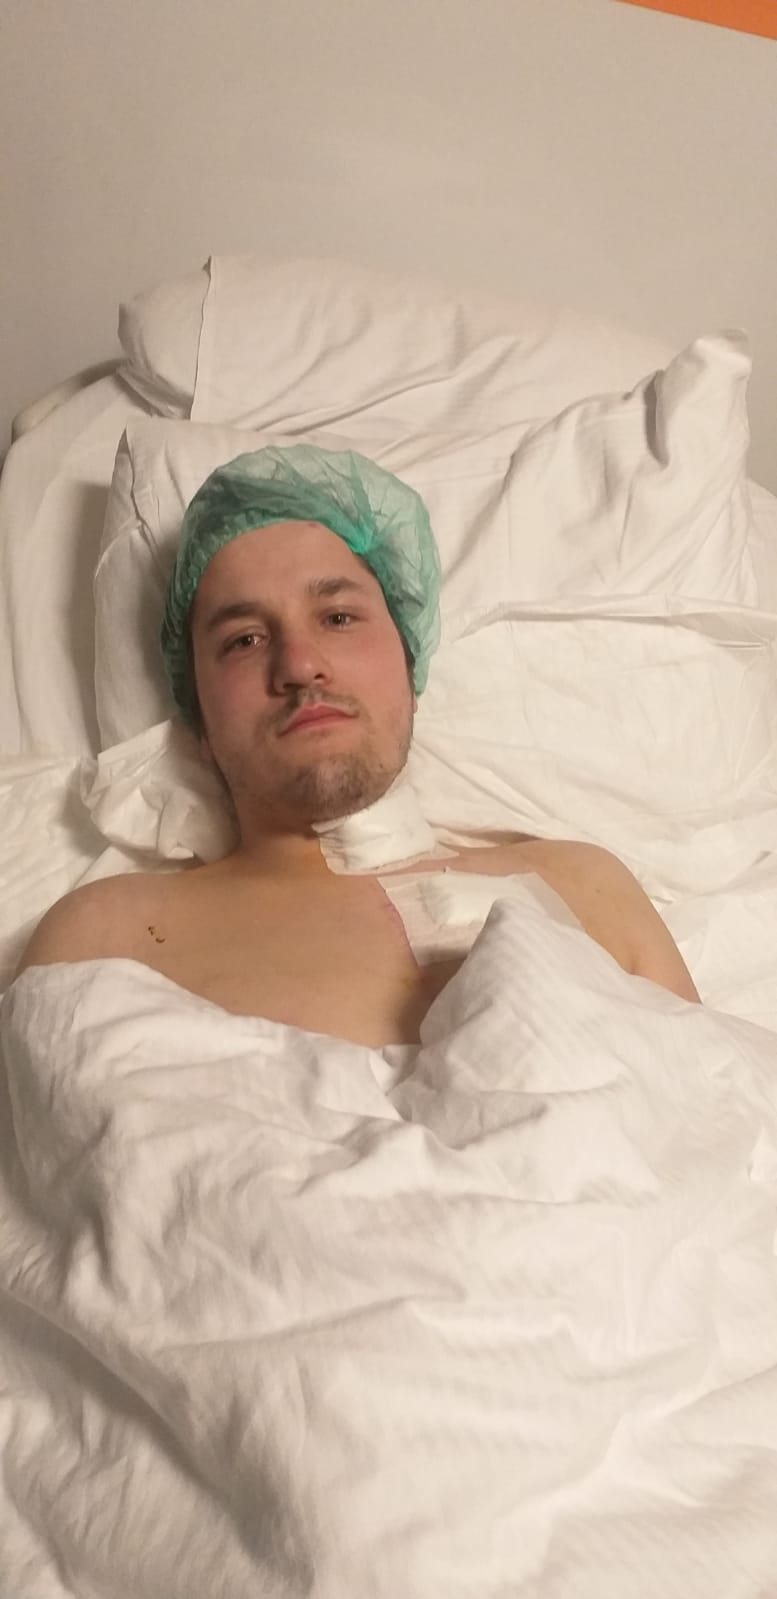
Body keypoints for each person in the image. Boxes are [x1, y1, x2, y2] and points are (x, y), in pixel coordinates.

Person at [17, 446, 701, 1045]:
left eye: (338, 617)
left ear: (410, 665)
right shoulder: (107, 940)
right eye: (244, 639)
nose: (299, 664)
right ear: (199, 721)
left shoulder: (586, 888)